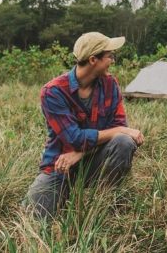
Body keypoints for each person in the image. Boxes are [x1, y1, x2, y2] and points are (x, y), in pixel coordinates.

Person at [25, 32, 144, 220]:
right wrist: (118, 130)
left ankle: (103, 204)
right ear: (93, 60)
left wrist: (81, 153)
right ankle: (64, 196)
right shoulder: (53, 91)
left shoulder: (110, 84)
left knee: (124, 142)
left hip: (92, 159)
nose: (113, 60)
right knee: (31, 219)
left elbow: (118, 129)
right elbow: (74, 138)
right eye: (110, 56)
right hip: (60, 166)